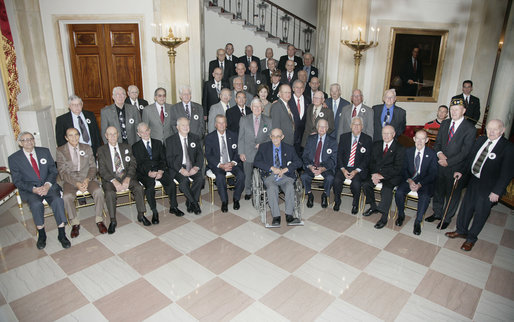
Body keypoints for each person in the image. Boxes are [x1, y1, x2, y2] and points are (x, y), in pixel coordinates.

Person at [447, 119, 513, 251]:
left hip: (489, 187)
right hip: (474, 180)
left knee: (481, 213)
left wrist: (497, 191)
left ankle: (471, 238)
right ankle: (461, 230)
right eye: (489, 129)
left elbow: (507, 173)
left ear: (502, 130)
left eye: (495, 129)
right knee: (466, 207)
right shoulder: (481, 140)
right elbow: (471, 158)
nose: (491, 132)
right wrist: (461, 171)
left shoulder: (508, 148)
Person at [9, 132, 70, 249]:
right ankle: (42, 235)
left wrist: (47, 185)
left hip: (48, 186)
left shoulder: (44, 151)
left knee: (57, 200)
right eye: (25, 140)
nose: (29, 141)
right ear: (20, 143)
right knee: (36, 204)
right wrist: (34, 189)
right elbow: (17, 181)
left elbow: (53, 171)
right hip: (30, 189)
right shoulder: (14, 159)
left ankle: (62, 234)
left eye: (31, 139)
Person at [425, 98, 476, 229]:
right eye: (452, 109)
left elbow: (465, 152)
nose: (453, 112)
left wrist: (448, 161)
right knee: (438, 191)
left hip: (456, 168)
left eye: (456, 109)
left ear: (463, 111)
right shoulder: (445, 123)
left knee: (452, 194)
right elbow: (437, 144)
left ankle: (447, 217)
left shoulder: (469, 129)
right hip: (440, 164)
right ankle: (437, 213)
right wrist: (439, 155)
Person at [56, 128, 107, 237]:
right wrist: (77, 183)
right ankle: (75, 223)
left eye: (76, 135)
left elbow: (93, 167)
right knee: (67, 196)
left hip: (87, 178)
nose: (74, 137)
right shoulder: (60, 150)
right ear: (66, 137)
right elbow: (63, 172)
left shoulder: (87, 148)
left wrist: (87, 179)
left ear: (79, 136)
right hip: (70, 180)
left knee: (98, 191)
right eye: (70, 135)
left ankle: (99, 219)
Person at [98, 126, 148, 233]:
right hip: (110, 179)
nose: (112, 136)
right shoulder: (101, 150)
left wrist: (128, 178)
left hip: (126, 176)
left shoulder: (126, 147)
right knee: (110, 193)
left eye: (114, 134)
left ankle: (141, 214)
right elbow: (102, 170)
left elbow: (133, 164)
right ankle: (113, 220)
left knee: (139, 188)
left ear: (118, 135)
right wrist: (114, 181)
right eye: (110, 134)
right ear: (106, 136)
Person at [132, 122, 183, 220]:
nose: (145, 133)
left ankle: (173, 207)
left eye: (146, 130)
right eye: (142, 132)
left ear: (149, 130)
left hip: (159, 170)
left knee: (171, 184)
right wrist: (148, 173)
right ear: (138, 134)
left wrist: (160, 171)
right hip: (145, 173)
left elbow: (164, 159)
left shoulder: (158, 143)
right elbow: (138, 164)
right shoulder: (135, 147)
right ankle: (154, 211)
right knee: (150, 188)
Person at [254, 128, 303, 226]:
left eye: (278, 136)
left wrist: (286, 169)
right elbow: (256, 162)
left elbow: (299, 162)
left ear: (282, 137)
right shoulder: (264, 147)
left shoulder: (289, 148)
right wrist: (271, 168)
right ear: (270, 136)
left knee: (290, 187)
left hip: (285, 175)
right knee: (272, 188)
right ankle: (276, 216)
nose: (275, 139)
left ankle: (289, 216)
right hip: (270, 175)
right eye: (273, 136)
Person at [394, 129, 437, 235]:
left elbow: (433, 174)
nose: (419, 141)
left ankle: (418, 222)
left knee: (425, 196)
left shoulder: (431, 154)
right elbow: (403, 169)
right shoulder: (408, 151)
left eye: (423, 139)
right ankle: (401, 215)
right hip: (409, 179)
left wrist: (419, 184)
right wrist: (409, 180)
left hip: (424, 182)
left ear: (427, 140)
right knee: (399, 192)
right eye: (418, 138)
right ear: (414, 139)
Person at [362, 125, 405, 229]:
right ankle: (373, 206)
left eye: (388, 133)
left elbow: (397, 168)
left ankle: (384, 217)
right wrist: (373, 174)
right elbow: (371, 162)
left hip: (391, 176)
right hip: (376, 173)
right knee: (365, 184)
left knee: (386, 190)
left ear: (394, 134)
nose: (385, 136)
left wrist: (381, 175)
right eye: (383, 133)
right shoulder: (376, 145)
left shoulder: (400, 148)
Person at [205, 115, 245, 212]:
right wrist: (221, 165)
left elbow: (238, 151)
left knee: (241, 175)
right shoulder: (209, 137)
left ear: (226, 124)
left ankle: (236, 199)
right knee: (220, 177)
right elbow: (209, 155)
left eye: (223, 122)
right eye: (219, 123)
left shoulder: (234, 135)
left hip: (232, 163)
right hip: (218, 164)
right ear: (215, 125)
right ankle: (224, 201)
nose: (222, 125)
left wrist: (233, 163)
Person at [333, 117, 372, 213]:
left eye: (359, 125)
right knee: (336, 181)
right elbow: (339, 155)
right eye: (354, 124)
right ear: (350, 126)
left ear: (362, 127)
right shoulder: (344, 137)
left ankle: (355, 204)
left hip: (358, 169)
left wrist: (356, 171)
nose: (356, 126)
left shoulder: (367, 139)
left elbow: (367, 159)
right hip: (344, 167)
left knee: (356, 184)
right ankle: (337, 201)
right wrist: (343, 169)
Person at [165, 117, 204, 215]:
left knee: (200, 179)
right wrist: (180, 169)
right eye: (183, 125)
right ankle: (195, 203)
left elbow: (200, 155)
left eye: (187, 125)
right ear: (177, 127)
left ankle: (189, 202)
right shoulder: (170, 140)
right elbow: (170, 159)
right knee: (184, 181)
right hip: (177, 168)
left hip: (192, 166)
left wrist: (196, 167)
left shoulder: (195, 137)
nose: (186, 127)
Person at [238, 98, 272, 200]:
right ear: (251, 108)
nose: (257, 108)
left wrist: (262, 144)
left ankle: (262, 190)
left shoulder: (268, 120)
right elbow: (241, 137)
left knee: (263, 173)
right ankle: (248, 190)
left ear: (262, 108)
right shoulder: (244, 119)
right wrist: (241, 152)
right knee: (247, 173)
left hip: (262, 152)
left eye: (259, 106)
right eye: (255, 106)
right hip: (248, 151)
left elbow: (270, 137)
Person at [301, 119, 337, 208]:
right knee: (304, 176)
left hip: (325, 166)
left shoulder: (332, 141)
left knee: (330, 177)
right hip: (312, 164)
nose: (322, 128)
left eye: (324, 127)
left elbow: (333, 159)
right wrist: (310, 166)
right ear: (317, 128)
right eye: (320, 126)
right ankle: (309, 194)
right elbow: (304, 156)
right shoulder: (310, 139)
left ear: (327, 128)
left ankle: (325, 194)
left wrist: (323, 168)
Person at [289, 79, 311, 155]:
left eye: (301, 87)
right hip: (291, 136)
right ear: (293, 89)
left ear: (304, 89)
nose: (299, 89)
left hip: (303, 137)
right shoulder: (288, 100)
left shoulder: (308, 100)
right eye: (297, 87)